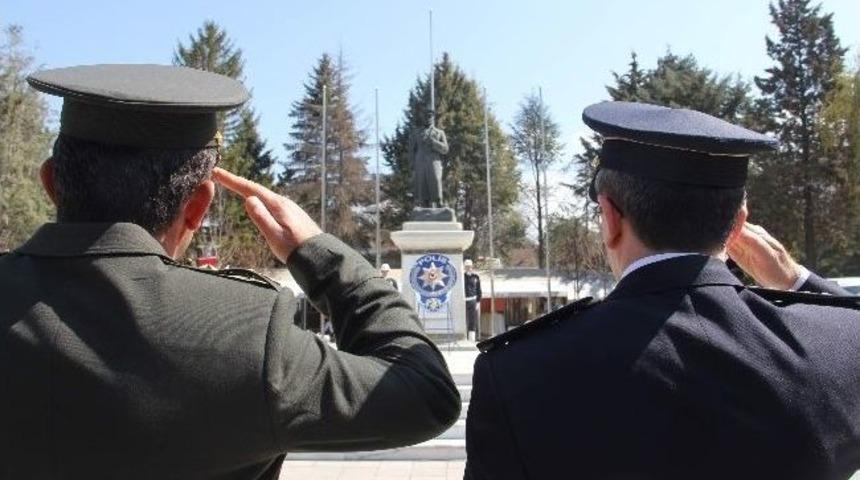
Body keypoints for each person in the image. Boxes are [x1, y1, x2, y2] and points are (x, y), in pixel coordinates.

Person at [0, 64, 460, 479]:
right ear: (199, 205)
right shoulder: (246, 334)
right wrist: (321, 256)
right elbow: (424, 394)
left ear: (51, 182)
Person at [464, 101, 860, 480]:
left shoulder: (518, 373)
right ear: (739, 224)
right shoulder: (835, 349)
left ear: (609, 217)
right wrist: (797, 282)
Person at [463, 259, 482, 340]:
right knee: (464, 319)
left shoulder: (476, 277)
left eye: (469, 266)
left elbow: (479, 290)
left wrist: (478, 301)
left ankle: (472, 339)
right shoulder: (462, 277)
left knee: (472, 320)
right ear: (464, 267)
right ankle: (464, 337)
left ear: (472, 266)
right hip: (464, 300)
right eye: (466, 266)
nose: (468, 268)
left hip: (473, 300)